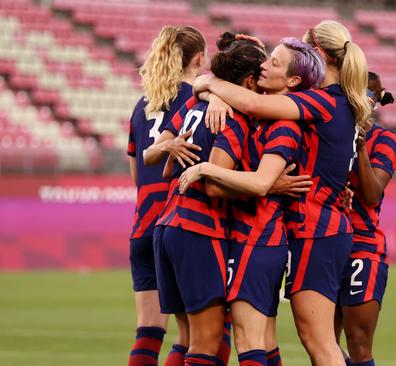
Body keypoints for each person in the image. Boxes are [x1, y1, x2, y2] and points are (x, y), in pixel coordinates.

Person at [193, 20, 371, 366]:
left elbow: (255, 105)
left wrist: (210, 83)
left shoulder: (321, 101)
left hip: (317, 230)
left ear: (318, 55)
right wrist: (210, 90)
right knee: (313, 339)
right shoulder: (339, 102)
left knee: (319, 342)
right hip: (320, 226)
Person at [178, 36, 324, 366]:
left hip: (259, 238)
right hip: (252, 237)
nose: (264, 66)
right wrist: (212, 91)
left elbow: (260, 184)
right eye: (266, 59)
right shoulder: (260, 114)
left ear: (292, 81)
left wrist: (205, 168)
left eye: (274, 62)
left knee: (248, 339)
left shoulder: (285, 126)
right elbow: (203, 84)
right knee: (264, 340)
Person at [153, 32, 267, 366]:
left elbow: (166, 170)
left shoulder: (193, 103)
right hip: (199, 228)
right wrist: (266, 185)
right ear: (247, 80)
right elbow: (216, 184)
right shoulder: (233, 118)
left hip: (169, 223)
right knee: (206, 343)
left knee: (190, 339)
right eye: (259, 81)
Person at [126, 25, 205, 366]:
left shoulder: (141, 106)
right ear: (199, 58)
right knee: (200, 337)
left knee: (148, 333)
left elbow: (136, 176)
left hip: (143, 227)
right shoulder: (199, 100)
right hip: (183, 224)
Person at [335, 72, 396, 366]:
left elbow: (373, 194)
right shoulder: (330, 130)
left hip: (362, 245)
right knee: (320, 341)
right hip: (322, 241)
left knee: (359, 342)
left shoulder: (385, 140)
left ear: (372, 103)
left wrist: (360, 146)